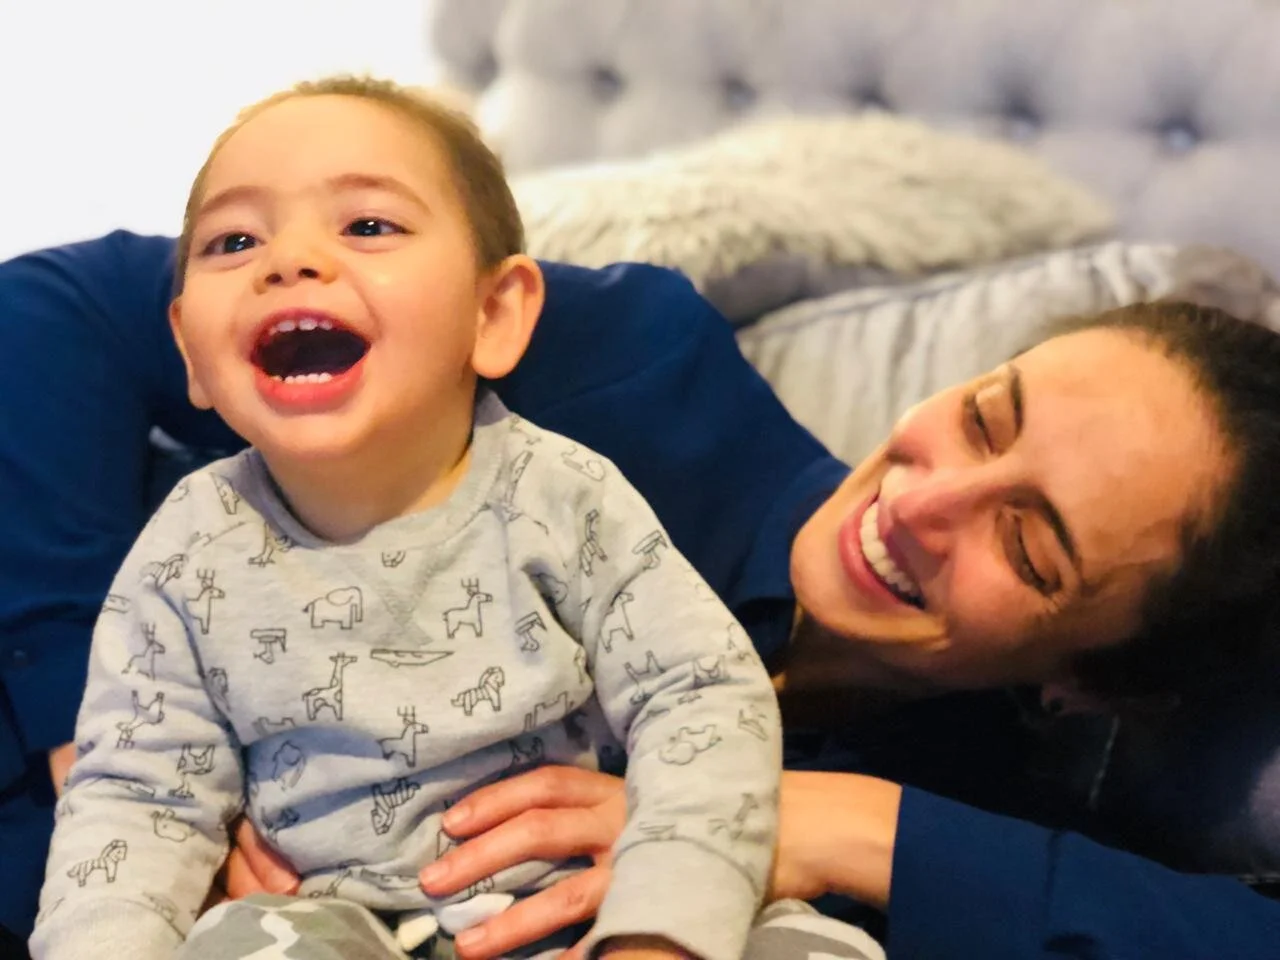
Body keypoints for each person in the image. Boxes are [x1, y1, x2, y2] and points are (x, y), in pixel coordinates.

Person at [3, 139, 1280, 960]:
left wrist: (832, 825)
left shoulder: (974, 816)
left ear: (1094, 682)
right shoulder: (642, 372)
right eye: (980, 415)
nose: (922, 500)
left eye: (1028, 544)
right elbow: (43, 314)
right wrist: (97, 737)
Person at [27, 76, 809, 960]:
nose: (288, 260)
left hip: (576, 904)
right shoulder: (188, 547)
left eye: (367, 225)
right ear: (189, 354)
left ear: (494, 313)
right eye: (234, 240)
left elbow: (698, 696)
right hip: (325, 920)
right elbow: (139, 798)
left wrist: (662, 928)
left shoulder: (564, 495)